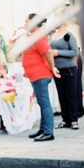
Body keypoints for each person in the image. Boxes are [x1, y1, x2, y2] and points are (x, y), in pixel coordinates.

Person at [22, 14, 60, 142]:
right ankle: (43, 129)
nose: (25, 24)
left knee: (45, 104)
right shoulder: (33, 36)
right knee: (42, 103)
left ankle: (49, 132)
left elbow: (48, 51)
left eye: (27, 21)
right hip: (35, 75)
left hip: (41, 75)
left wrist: (53, 67)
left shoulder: (38, 36)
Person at [49, 22, 81, 129]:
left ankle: (73, 120)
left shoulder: (69, 35)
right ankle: (65, 119)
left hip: (68, 68)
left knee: (70, 94)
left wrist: (58, 52)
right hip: (57, 69)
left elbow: (75, 52)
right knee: (61, 94)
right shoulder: (51, 36)